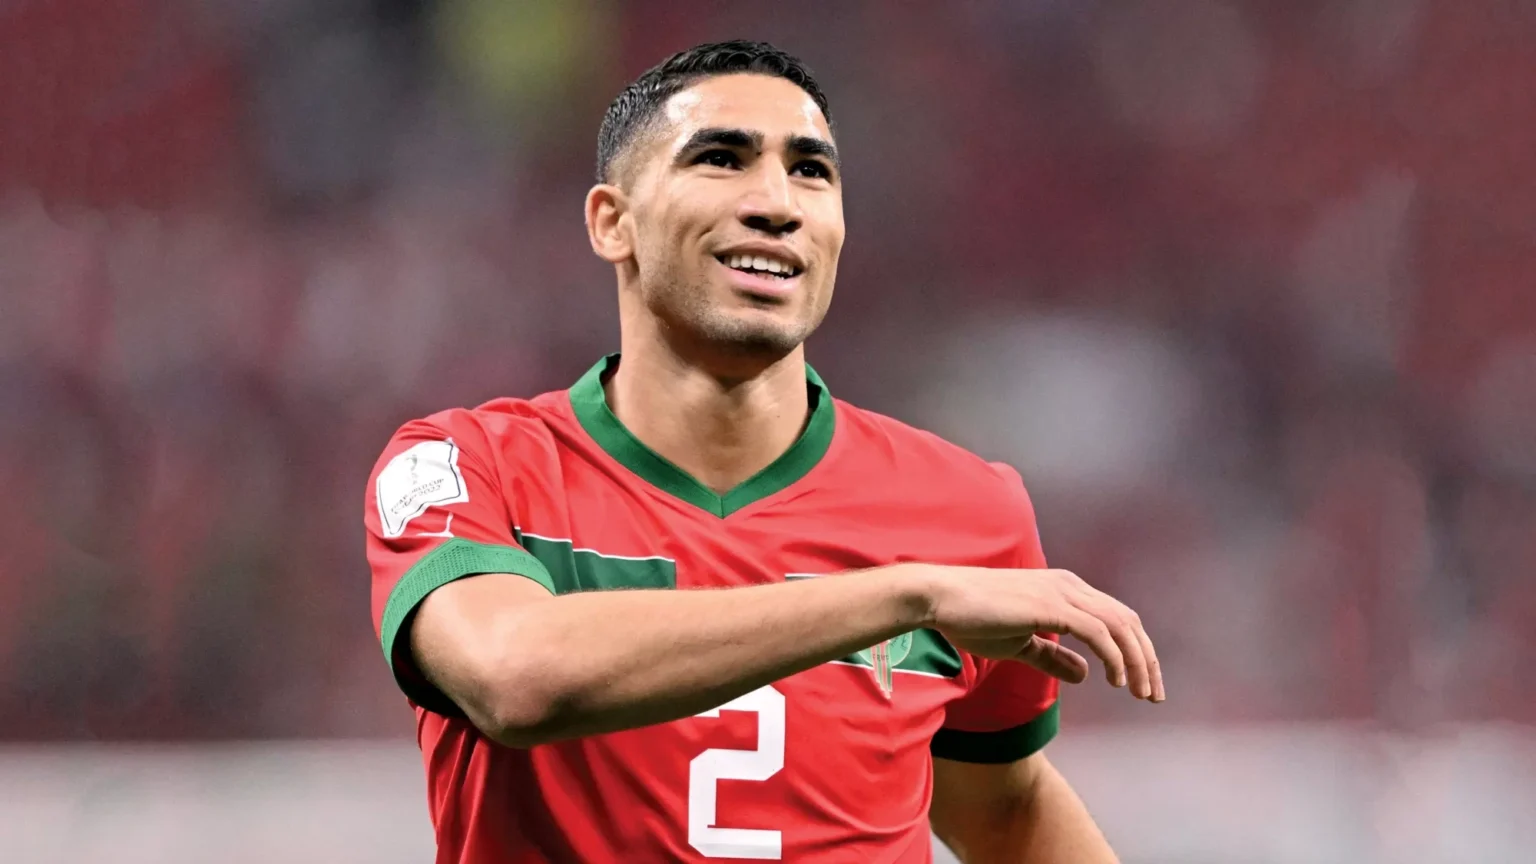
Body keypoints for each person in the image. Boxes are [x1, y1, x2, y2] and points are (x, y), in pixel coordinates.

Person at [364, 40, 1164, 864]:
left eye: (811, 171)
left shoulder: (969, 513)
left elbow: (1003, 805)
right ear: (612, 222)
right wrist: (907, 596)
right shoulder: (465, 467)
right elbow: (515, 678)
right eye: (721, 159)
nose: (777, 203)